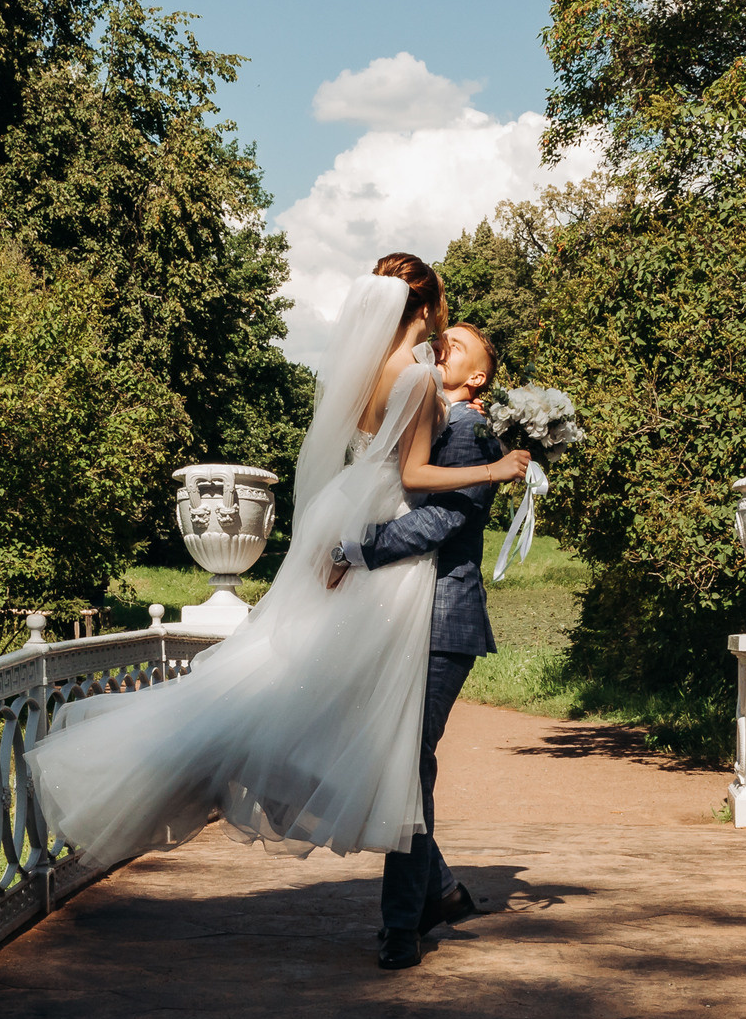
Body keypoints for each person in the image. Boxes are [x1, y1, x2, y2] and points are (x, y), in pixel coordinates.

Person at [27, 255, 528, 883]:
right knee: (367, 723)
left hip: (348, 513)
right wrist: (493, 467)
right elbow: (411, 476)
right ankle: (330, 807)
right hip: (385, 534)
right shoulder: (421, 379)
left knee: (299, 677)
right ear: (423, 309)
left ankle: (387, 852)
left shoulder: (364, 372)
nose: (444, 331)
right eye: (441, 316)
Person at [340, 321, 505, 970]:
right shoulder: (436, 419)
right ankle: (438, 890)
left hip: (443, 621)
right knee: (404, 765)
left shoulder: (470, 429)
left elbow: (444, 518)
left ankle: (400, 925)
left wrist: (359, 550)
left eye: (458, 345)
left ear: (479, 378)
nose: (444, 346)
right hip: (409, 617)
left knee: (405, 767)